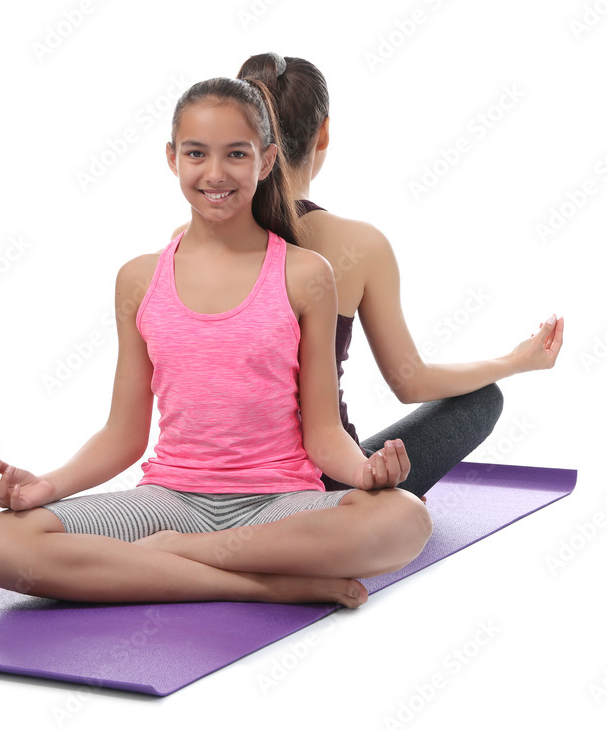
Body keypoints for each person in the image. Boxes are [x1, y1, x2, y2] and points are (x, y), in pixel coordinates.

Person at [0, 76, 432, 608]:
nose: (215, 173)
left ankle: (186, 555)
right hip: (170, 500)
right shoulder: (139, 279)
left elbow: (323, 433)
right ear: (172, 158)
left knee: (406, 517)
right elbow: (123, 434)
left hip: (278, 505)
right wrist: (44, 488)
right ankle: (260, 586)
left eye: (236, 154)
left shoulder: (307, 275)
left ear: (266, 160)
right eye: (196, 153)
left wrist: (364, 473)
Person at [173, 52, 563, 496]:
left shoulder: (187, 240)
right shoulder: (361, 246)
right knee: (483, 399)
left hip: (213, 480)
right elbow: (410, 381)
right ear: (323, 134)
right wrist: (516, 361)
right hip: (330, 485)